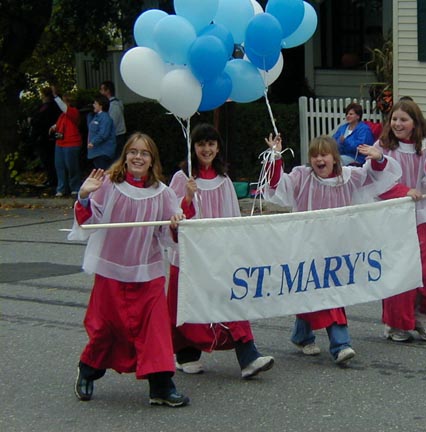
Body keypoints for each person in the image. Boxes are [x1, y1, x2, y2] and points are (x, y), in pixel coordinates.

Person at [68, 132, 189, 407]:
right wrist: (85, 195)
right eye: (133, 151)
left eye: (144, 153)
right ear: (125, 156)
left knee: (155, 328)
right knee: (106, 330)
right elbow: (90, 222)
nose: (138, 157)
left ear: (152, 160)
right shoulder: (109, 184)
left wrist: (175, 222)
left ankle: (161, 386)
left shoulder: (163, 193)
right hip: (112, 270)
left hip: (148, 272)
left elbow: (169, 234)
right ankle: (88, 370)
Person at [263, 134, 401, 364]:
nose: (319, 159)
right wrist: (276, 156)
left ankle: (302, 334)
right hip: (307, 247)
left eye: (324, 154)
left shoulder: (349, 177)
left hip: (337, 249)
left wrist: (378, 159)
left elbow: (377, 178)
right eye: (314, 155)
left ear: (335, 158)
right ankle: (340, 344)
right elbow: (278, 185)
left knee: (318, 293)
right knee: (323, 294)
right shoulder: (301, 177)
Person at [166, 124, 274, 379]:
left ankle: (248, 355)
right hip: (190, 258)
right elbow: (172, 220)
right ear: (193, 147)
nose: (207, 149)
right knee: (188, 308)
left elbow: (231, 219)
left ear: (218, 148)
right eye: (202, 144)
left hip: (217, 256)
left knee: (231, 302)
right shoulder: (181, 179)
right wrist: (188, 199)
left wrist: (237, 249)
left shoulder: (224, 181)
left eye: (211, 144)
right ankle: (186, 353)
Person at [375, 98, 426, 342]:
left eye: (403, 119)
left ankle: (422, 317)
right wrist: (403, 191)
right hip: (395, 218)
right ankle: (396, 323)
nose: (397, 123)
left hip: (422, 217)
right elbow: (376, 180)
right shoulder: (383, 146)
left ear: (415, 123)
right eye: (394, 119)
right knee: (401, 273)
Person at [50, 91, 82, 197]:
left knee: (72, 167)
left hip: (71, 143)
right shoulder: (63, 115)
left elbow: (64, 108)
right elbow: (59, 124)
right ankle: (62, 188)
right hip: (60, 143)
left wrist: (56, 96)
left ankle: (75, 187)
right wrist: (54, 127)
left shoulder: (73, 112)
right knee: (59, 166)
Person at [87, 94, 116, 170]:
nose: (93, 105)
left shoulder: (105, 118)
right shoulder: (96, 116)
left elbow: (103, 134)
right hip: (97, 152)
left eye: (95, 104)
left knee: (103, 174)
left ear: (101, 106)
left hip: (103, 152)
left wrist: (93, 142)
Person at [99, 80, 126, 158]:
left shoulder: (114, 105)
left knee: (115, 160)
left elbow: (112, 123)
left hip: (116, 136)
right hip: (114, 136)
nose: (100, 92)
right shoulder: (113, 103)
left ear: (107, 91)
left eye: (102, 90)